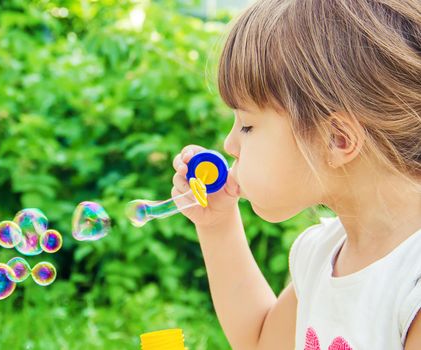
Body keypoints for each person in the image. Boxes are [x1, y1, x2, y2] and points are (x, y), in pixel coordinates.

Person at [171, 0, 421, 348]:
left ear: (337, 139)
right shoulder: (322, 255)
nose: (229, 144)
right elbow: (260, 340)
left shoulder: (412, 282)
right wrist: (217, 225)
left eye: (247, 125)